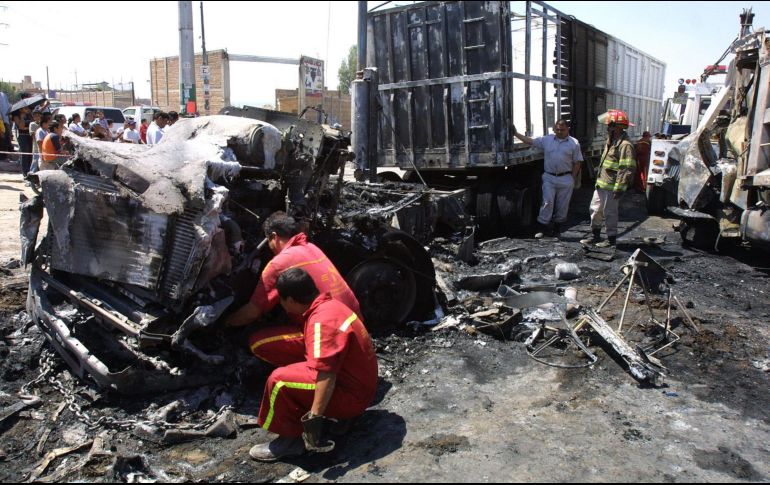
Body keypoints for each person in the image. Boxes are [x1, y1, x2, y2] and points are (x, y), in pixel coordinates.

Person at [249, 267, 377, 462]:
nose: (282, 307)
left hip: (352, 396)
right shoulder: (331, 306)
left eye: (282, 301)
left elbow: (327, 375)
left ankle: (289, 442)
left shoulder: (321, 321)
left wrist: (314, 419)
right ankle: (344, 417)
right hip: (361, 385)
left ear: (291, 300)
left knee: (278, 381)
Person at [224, 212, 361, 365]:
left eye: (268, 240)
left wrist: (227, 322)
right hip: (357, 327)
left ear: (274, 237)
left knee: (256, 343)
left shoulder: (279, 264)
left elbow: (252, 313)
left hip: (333, 337)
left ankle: (315, 369)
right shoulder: (312, 248)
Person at [512, 120, 583, 238]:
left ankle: (557, 229)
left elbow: (577, 162)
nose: (559, 132)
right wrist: (515, 133)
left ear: (567, 129)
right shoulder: (547, 139)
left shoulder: (574, 143)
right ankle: (542, 228)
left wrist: (572, 178)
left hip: (565, 178)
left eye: (562, 130)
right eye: (557, 130)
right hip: (549, 177)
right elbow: (530, 141)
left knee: (562, 205)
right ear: (554, 129)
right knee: (547, 202)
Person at [580, 109, 637, 248]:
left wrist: (619, 188)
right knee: (595, 210)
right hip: (601, 185)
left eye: (610, 125)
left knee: (610, 213)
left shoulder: (625, 145)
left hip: (612, 187)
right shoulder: (611, 141)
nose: (607, 128)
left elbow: (626, 168)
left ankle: (611, 240)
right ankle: (595, 235)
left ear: (617, 127)